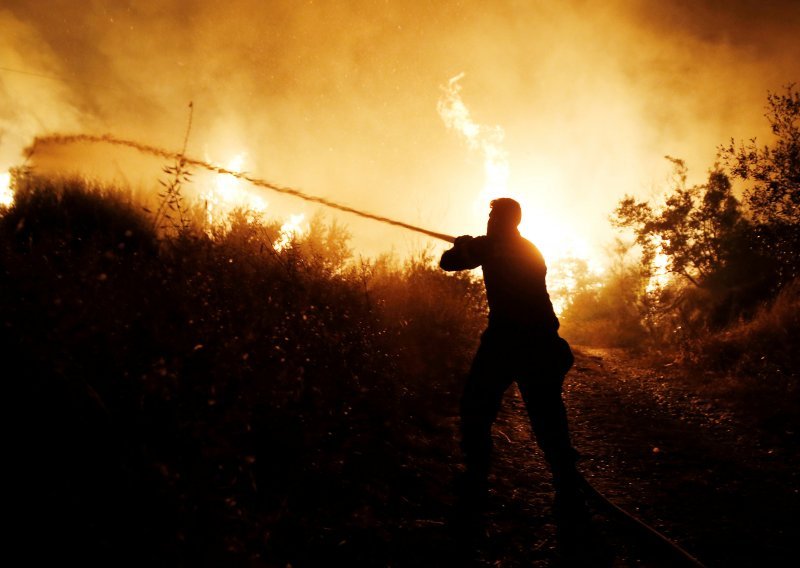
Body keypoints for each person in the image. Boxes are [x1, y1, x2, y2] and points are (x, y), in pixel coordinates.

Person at [440, 197, 587, 527]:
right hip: (539, 340)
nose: (489, 219)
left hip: (509, 340)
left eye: (494, 214)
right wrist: (470, 246)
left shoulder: (491, 246)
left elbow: (447, 262)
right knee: (547, 416)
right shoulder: (527, 249)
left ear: (507, 220)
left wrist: (464, 246)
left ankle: (476, 479)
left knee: (476, 408)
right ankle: (567, 487)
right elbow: (465, 257)